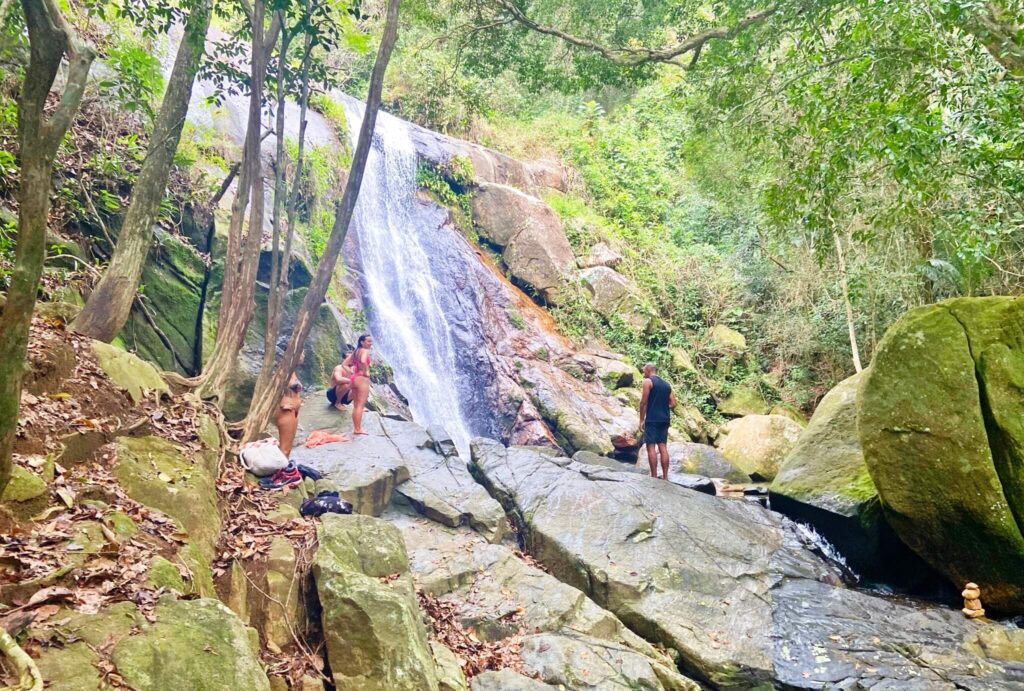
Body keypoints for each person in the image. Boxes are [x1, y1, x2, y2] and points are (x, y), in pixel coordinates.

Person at [638, 363, 675, 480]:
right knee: (662, 446)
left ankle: (654, 476)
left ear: (649, 370)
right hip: (664, 419)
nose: (643, 373)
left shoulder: (648, 382)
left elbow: (643, 402)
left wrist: (641, 420)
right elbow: (673, 403)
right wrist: (662, 406)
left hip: (652, 418)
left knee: (651, 446)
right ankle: (665, 477)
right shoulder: (667, 385)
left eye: (644, 371)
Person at [275, 353, 305, 457]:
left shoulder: (292, 371)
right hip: (286, 412)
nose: (303, 356)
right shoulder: (283, 370)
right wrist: (283, 404)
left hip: (293, 412)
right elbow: (275, 388)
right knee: (285, 448)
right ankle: (280, 471)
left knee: (288, 448)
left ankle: (285, 470)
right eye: (301, 353)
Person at [348, 334, 373, 435]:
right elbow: (363, 360)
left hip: (354, 378)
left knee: (356, 405)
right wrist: (366, 371)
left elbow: (345, 364)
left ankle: (356, 428)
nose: (370, 344)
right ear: (362, 342)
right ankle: (358, 429)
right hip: (362, 379)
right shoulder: (364, 351)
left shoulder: (356, 351)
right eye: (368, 341)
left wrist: (352, 372)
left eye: (371, 341)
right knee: (360, 406)